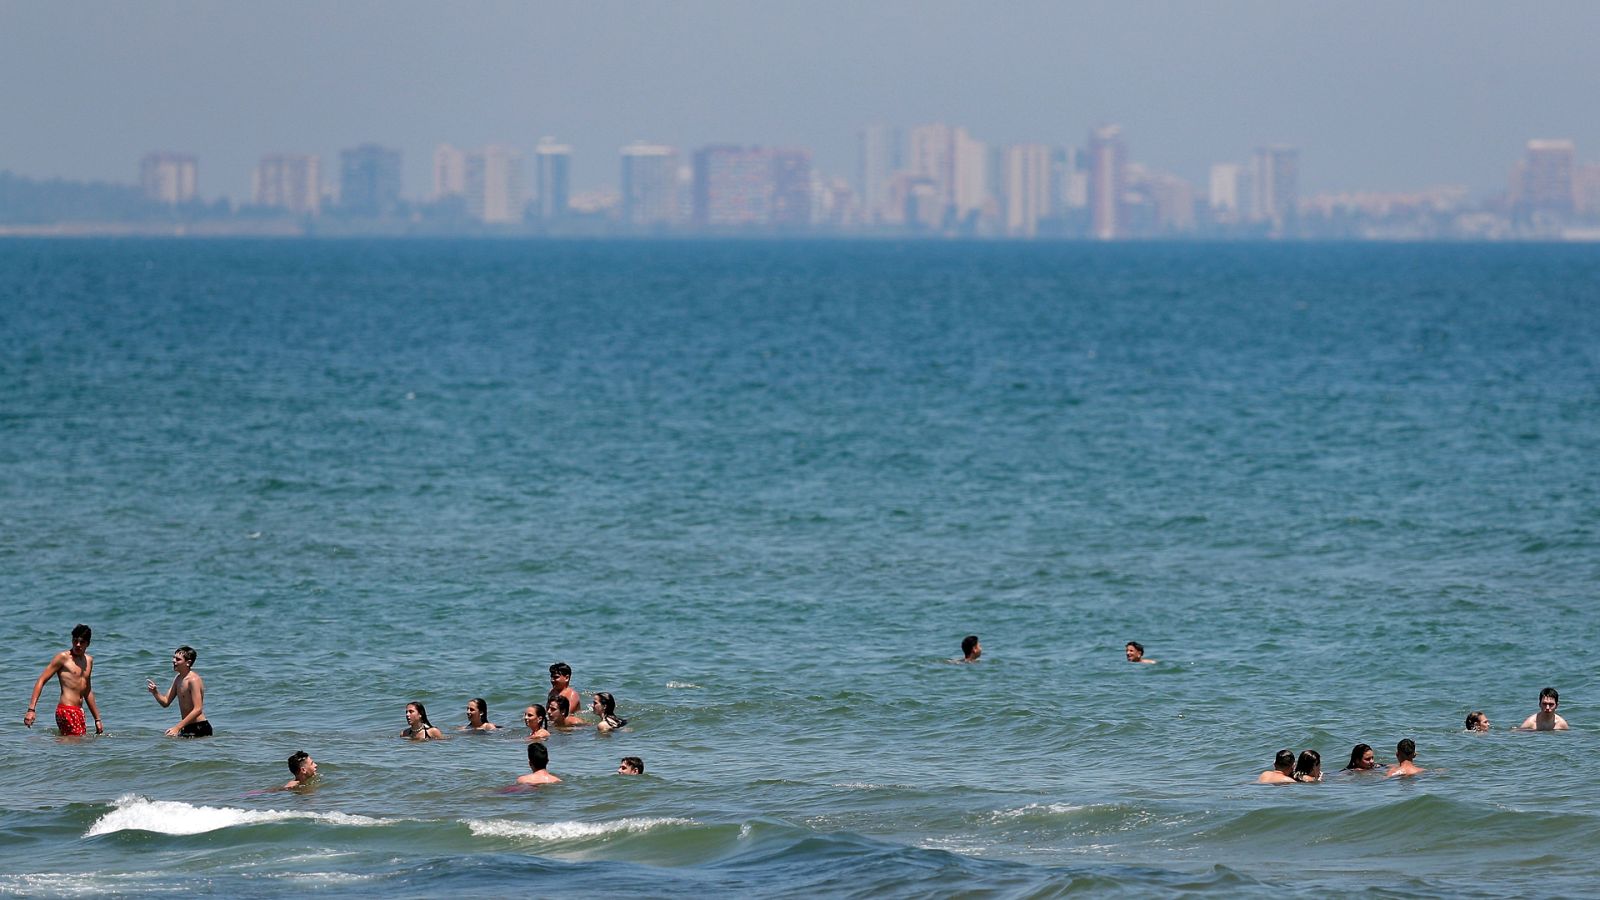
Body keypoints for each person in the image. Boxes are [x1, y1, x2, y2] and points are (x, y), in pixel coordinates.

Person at [23, 624, 103, 736]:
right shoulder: (63, 658)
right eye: (75, 641)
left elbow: (88, 691)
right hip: (66, 710)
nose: (78, 645)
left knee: (76, 743)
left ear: (88, 644)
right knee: (76, 742)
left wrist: (97, 719)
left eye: (82, 642)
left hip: (79, 711)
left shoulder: (89, 661)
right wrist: (31, 710)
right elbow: (41, 680)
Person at [147, 645, 210, 737]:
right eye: (174, 658)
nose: (174, 661)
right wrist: (155, 692)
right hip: (186, 726)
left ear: (188, 662)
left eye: (178, 659)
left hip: (200, 727)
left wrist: (177, 727)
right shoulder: (178, 679)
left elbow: (198, 709)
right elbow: (165, 702)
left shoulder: (193, 680)